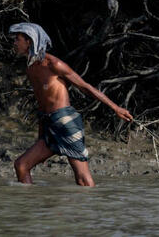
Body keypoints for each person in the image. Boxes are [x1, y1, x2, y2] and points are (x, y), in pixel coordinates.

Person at [8, 22, 133, 186]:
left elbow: (85, 86)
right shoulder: (31, 69)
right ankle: (32, 207)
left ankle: (92, 208)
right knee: (22, 165)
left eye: (17, 40)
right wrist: (41, 137)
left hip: (66, 122)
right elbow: (41, 103)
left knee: (83, 180)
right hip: (49, 125)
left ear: (29, 41)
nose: (14, 44)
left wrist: (115, 108)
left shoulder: (54, 64)